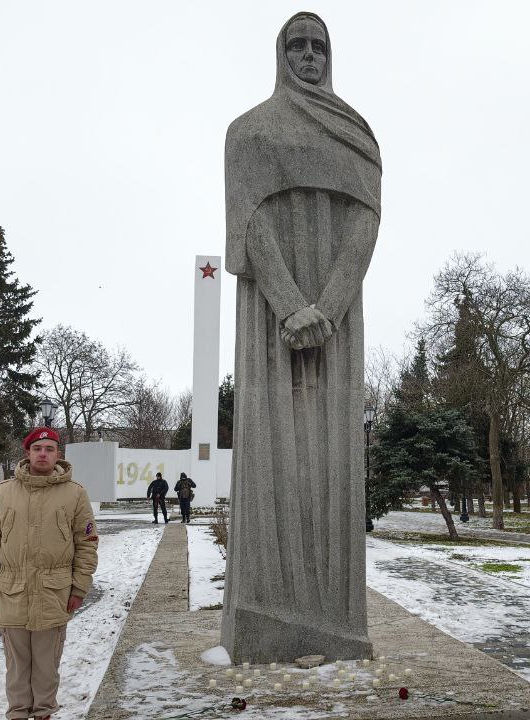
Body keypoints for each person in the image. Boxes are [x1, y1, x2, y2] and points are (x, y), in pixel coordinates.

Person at [220, 11, 381, 662]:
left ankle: (335, 623)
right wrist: (290, 306)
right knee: (274, 455)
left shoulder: (356, 134)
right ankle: (268, 614)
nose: (310, 56)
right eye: (298, 46)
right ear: (280, 54)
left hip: (337, 326)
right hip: (270, 322)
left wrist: (330, 309)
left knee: (332, 463)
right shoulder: (249, 131)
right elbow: (249, 223)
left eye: (319, 46)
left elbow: (366, 220)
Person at [0, 426, 98, 720]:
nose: (43, 454)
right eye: (37, 449)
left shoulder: (75, 494)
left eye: (49, 449)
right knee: (17, 666)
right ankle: (18, 713)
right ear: (27, 453)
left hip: (54, 593)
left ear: (58, 454)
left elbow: (87, 545)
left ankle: (44, 713)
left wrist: (79, 588)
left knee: (46, 664)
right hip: (11, 593)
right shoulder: (2, 493)